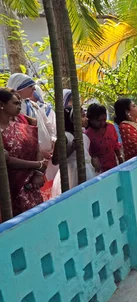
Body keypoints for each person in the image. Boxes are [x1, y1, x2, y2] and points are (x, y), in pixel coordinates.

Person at [0, 88, 45, 216]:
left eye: (20, 103)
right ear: (1, 105)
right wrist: (37, 165)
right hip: (9, 186)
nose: (19, 106)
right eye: (15, 103)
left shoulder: (23, 124)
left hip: (31, 185)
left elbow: (36, 147)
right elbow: (6, 160)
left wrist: (37, 173)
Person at [51, 106, 97, 197]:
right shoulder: (65, 137)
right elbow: (55, 160)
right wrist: (72, 148)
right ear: (73, 119)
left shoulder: (84, 135)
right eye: (83, 116)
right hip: (72, 174)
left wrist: (93, 160)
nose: (86, 119)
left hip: (88, 170)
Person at [7, 73, 56, 156]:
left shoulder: (33, 104)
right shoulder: (11, 109)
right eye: (30, 86)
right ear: (19, 87)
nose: (34, 88)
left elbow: (47, 123)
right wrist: (38, 152)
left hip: (47, 152)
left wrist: (52, 139)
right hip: (31, 154)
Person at [85, 103, 123, 173]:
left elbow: (116, 145)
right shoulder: (87, 134)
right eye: (98, 121)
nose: (102, 123)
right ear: (90, 119)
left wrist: (120, 157)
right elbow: (87, 154)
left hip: (114, 165)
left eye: (104, 119)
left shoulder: (110, 127)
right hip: (99, 170)